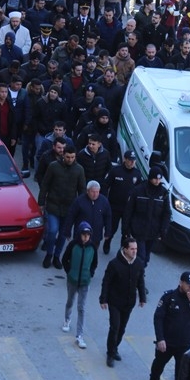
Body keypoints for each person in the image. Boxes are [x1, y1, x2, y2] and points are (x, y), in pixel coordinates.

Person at [100, 236, 147, 367]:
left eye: (136, 249)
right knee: (114, 327)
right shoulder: (114, 264)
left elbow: (140, 281)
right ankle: (110, 353)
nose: (134, 251)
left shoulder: (138, 263)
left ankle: (115, 348)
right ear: (125, 249)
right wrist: (103, 299)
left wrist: (142, 298)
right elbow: (106, 282)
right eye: (132, 249)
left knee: (122, 328)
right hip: (115, 302)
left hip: (129, 302)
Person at [38, 145, 86, 270]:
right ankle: (49, 254)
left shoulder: (79, 169)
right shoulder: (54, 166)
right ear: (63, 155)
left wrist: (81, 208)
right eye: (68, 157)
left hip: (69, 208)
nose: (70, 159)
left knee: (63, 235)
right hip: (53, 205)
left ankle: (57, 256)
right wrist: (41, 202)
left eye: (72, 157)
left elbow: (82, 190)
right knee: (53, 231)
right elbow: (45, 185)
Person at [61, 221, 98, 349]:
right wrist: (69, 272)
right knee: (70, 301)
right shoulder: (73, 245)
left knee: (81, 308)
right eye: (83, 234)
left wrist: (90, 274)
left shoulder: (92, 247)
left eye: (88, 235)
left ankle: (79, 335)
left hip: (84, 282)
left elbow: (94, 263)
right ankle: (67, 319)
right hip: (72, 280)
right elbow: (64, 259)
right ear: (79, 234)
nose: (85, 237)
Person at [123, 166, 170, 267]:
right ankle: (138, 275)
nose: (157, 181)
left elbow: (166, 213)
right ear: (150, 178)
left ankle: (138, 271)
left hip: (153, 231)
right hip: (138, 230)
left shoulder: (163, 193)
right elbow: (129, 210)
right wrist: (125, 228)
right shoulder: (138, 190)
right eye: (155, 178)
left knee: (146, 256)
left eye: (159, 179)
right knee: (141, 256)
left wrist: (163, 230)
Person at [101, 150, 140, 254]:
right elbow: (105, 185)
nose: (132, 162)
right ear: (125, 159)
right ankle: (107, 242)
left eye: (134, 160)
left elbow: (139, 191)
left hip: (128, 209)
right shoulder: (115, 171)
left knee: (126, 231)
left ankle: (123, 250)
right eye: (130, 160)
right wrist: (104, 201)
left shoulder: (137, 174)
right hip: (114, 206)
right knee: (112, 228)